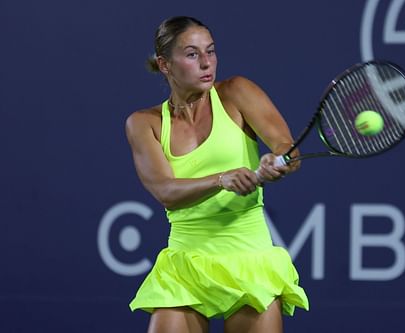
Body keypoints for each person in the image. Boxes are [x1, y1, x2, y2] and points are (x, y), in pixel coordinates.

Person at [126, 16, 309, 333]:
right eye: (192, 54)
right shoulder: (144, 123)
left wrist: (277, 161)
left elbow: (287, 148)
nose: (207, 62)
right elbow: (165, 191)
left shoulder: (237, 92)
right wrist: (220, 179)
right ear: (165, 65)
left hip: (250, 259)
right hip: (185, 265)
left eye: (210, 51)